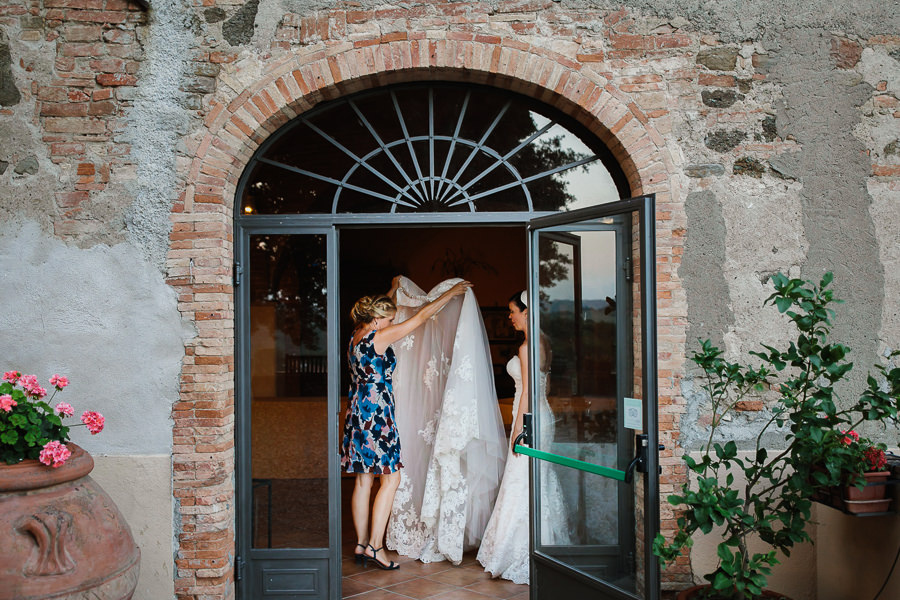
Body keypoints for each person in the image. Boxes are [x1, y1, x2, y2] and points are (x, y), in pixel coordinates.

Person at [340, 277, 471, 570]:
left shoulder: (357, 334)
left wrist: (390, 289)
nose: (392, 321)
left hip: (357, 412)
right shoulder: (379, 336)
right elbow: (423, 317)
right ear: (376, 320)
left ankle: (361, 544)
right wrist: (450, 293)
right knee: (391, 478)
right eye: (388, 319)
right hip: (377, 413)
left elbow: (384, 307)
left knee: (363, 479)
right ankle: (376, 546)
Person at [476, 290, 569, 584]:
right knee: (537, 480)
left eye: (513, 311)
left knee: (522, 480)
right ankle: (547, 549)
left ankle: (520, 553)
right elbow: (546, 386)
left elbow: (527, 392)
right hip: (545, 416)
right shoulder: (544, 343)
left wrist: (518, 429)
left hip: (531, 418)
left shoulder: (527, 347)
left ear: (526, 312)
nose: (510, 316)